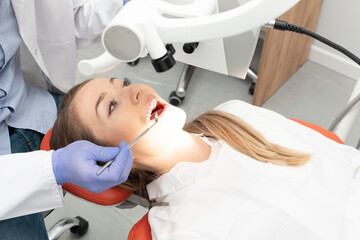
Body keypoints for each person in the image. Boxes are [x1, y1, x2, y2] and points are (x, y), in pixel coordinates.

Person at [50, 77, 360, 239]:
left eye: (125, 83)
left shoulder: (235, 114)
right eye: (111, 106)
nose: (136, 92)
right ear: (104, 160)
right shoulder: (180, 229)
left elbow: (342, 163)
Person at [0, 0, 130, 238]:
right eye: (111, 105)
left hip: (31, 103)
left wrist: (121, 4)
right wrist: (53, 168)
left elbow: (64, 20)